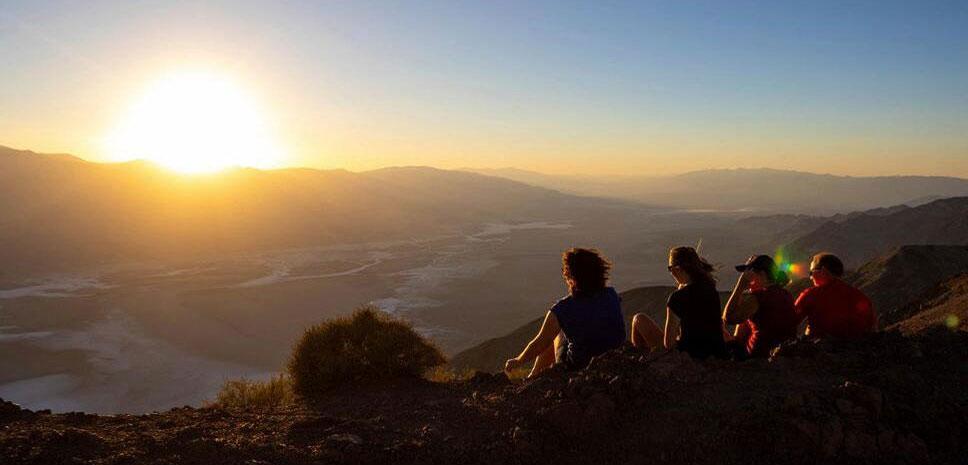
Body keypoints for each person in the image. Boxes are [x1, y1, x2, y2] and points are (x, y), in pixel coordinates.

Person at [504, 248, 625, 378]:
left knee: (553, 335)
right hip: (616, 360)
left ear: (571, 276)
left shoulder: (563, 309)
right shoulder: (611, 294)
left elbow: (540, 343)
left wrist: (518, 361)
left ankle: (533, 377)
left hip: (578, 367)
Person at [630, 246, 727, 359]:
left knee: (639, 319)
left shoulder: (678, 298)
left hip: (690, 356)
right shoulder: (711, 289)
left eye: (670, 268)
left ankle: (638, 363)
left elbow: (669, 343)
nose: (671, 273)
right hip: (716, 353)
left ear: (678, 269)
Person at [722, 255, 798, 359]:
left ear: (762, 274)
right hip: (782, 353)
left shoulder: (760, 297)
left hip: (757, 356)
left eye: (749, 276)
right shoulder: (786, 294)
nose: (749, 283)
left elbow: (728, 318)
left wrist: (740, 286)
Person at [795, 253, 877, 340]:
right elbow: (871, 325)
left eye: (811, 272)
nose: (811, 277)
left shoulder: (811, 295)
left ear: (823, 270)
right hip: (858, 347)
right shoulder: (858, 295)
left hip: (821, 348)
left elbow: (790, 320)